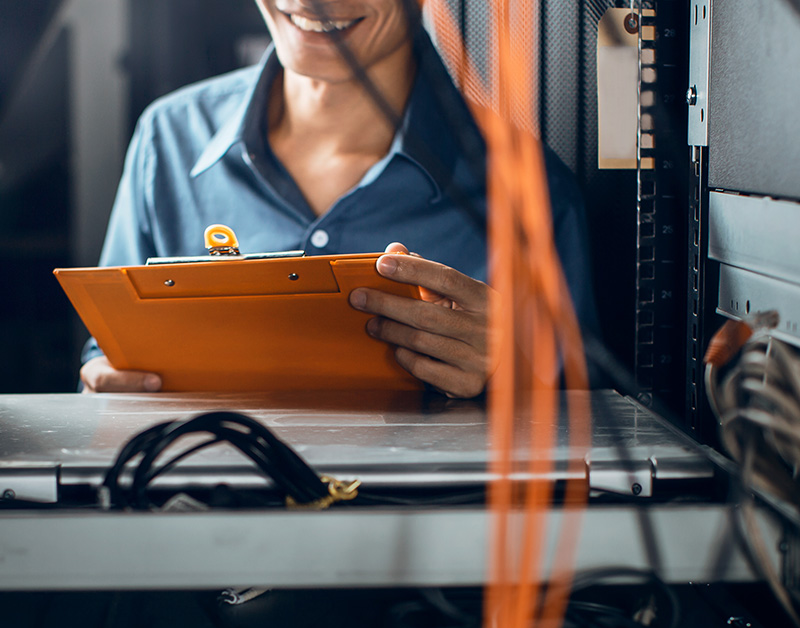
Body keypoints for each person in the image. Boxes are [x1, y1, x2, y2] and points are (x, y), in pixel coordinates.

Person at [80, 0, 597, 398]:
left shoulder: (528, 190)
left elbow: (585, 424)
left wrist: (512, 374)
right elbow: (105, 356)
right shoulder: (168, 139)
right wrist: (104, 384)